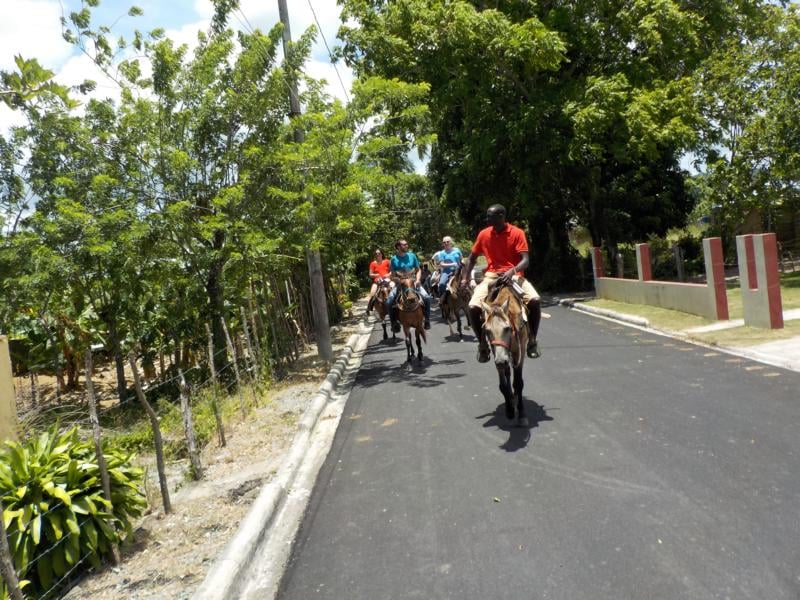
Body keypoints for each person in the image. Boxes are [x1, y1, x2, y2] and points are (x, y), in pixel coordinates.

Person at [461, 204, 542, 363]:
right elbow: (472, 258)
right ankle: (482, 345)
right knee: (472, 307)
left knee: (535, 300)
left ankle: (532, 340)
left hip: (514, 276)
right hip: (491, 276)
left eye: (490, 216)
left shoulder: (517, 233)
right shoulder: (484, 234)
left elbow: (525, 260)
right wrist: (465, 278)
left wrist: (512, 271)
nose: (487, 219)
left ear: (501, 216)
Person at [385, 239, 432, 331]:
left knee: (426, 298)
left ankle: (427, 319)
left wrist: (418, 280)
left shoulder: (412, 256)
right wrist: (397, 280)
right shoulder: (393, 259)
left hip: (413, 283)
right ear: (398, 247)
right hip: (400, 284)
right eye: (404, 245)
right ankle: (394, 322)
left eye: (407, 244)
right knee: (389, 301)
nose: (406, 246)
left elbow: (418, 270)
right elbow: (392, 275)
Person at [366, 248, 391, 315]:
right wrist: (376, 275)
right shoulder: (373, 263)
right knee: (372, 293)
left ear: (382, 254)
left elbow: (392, 271)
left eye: (379, 253)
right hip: (377, 281)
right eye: (376, 253)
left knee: (395, 288)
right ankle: (369, 307)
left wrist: (388, 274)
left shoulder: (387, 261)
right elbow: (370, 274)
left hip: (387, 281)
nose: (378, 254)